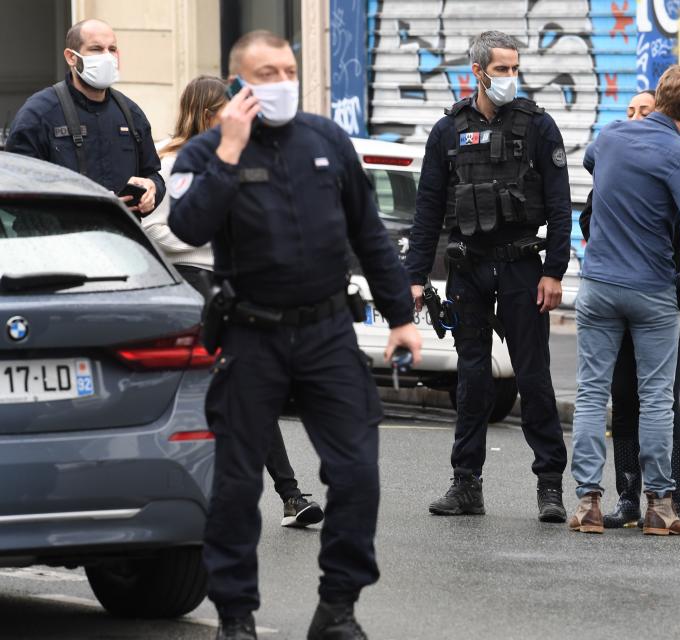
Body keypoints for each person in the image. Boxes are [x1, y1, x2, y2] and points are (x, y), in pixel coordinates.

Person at [168, 31, 421, 640]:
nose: (281, 81)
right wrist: (229, 151)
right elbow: (187, 222)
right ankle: (235, 616)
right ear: (238, 83)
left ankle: (337, 608)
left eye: (287, 69)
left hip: (328, 333)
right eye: (266, 72)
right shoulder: (205, 153)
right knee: (235, 483)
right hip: (252, 335)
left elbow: (370, 237)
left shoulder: (326, 140)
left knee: (357, 473)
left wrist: (401, 319)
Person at [404, 30, 571, 522]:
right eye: (501, 69)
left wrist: (555, 271)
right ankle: (466, 485)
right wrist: (416, 277)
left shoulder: (538, 126)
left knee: (533, 377)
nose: (510, 77)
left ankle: (549, 487)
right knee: (472, 378)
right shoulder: (448, 130)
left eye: (515, 68)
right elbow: (428, 211)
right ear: (477, 72)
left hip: (522, 266)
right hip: (469, 269)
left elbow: (561, 206)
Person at [143, 75, 323, 530]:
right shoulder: (171, 160)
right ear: (207, 114)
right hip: (193, 282)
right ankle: (279, 494)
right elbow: (153, 228)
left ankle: (287, 497)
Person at [570, 64, 680, 536]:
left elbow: (591, 163)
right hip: (652, 290)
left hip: (598, 284)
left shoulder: (611, 138)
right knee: (655, 399)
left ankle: (588, 502)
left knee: (591, 393)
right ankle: (659, 507)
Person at [6, 19, 163, 216]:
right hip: (60, 239)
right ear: (71, 57)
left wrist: (152, 188)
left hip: (121, 237)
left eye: (112, 49)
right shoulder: (39, 114)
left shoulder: (131, 114)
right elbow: (16, 185)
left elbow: (152, 173)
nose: (107, 57)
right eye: (96, 49)